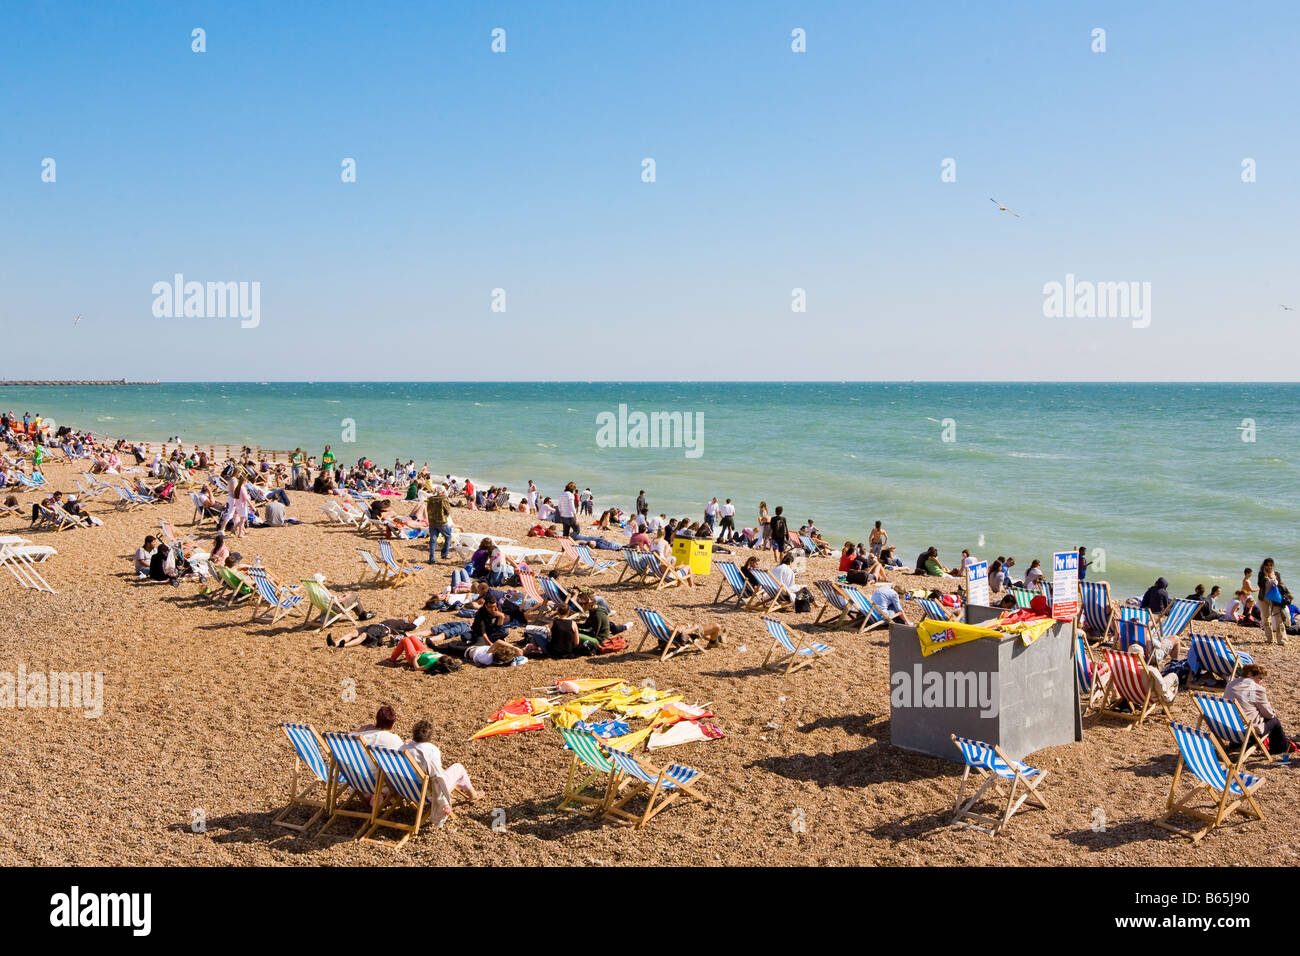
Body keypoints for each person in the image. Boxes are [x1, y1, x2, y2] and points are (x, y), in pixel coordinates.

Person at [400, 719, 480, 824]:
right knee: (458, 768)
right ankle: (473, 795)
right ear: (430, 736)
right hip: (427, 792)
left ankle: (461, 795)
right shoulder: (431, 750)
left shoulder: (403, 748)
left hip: (405, 788)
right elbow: (437, 776)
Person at [1224, 665, 1299, 756]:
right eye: (1259, 678)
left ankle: (1236, 744)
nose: (1261, 681)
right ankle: (1279, 749)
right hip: (1245, 732)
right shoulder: (1256, 688)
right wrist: (1271, 711)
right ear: (1250, 674)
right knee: (1274, 721)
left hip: (1227, 728)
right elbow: (1268, 714)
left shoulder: (1230, 684)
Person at [1258, 558, 1288, 646]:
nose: (1269, 567)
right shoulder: (1261, 574)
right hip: (1263, 599)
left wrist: (1271, 577)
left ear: (1273, 566)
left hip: (1275, 599)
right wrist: (1265, 576)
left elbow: (1279, 585)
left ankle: (1281, 639)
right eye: (1267, 565)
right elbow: (1260, 584)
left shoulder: (1277, 574)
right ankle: (1269, 639)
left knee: (1278, 618)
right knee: (1266, 618)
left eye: (1271, 565)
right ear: (1264, 565)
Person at [424, 486, 455, 562]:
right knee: (448, 536)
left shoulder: (431, 499)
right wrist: (444, 516)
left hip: (432, 521)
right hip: (441, 521)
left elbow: (428, 510)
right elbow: (447, 511)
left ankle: (432, 558)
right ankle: (444, 554)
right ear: (443, 492)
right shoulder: (443, 499)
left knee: (433, 539)